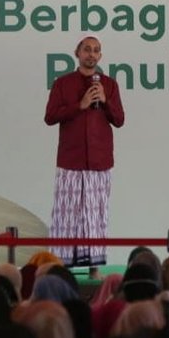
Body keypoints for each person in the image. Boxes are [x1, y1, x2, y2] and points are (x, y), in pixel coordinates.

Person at [44, 36, 124, 267]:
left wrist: (106, 101)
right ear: (77, 53)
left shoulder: (109, 85)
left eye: (96, 50)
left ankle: (94, 268)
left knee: (96, 218)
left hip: (99, 162)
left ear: (100, 56)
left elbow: (119, 120)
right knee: (66, 216)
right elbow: (50, 117)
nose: (91, 54)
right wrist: (79, 105)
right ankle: (62, 265)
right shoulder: (63, 83)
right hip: (71, 160)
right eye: (87, 49)